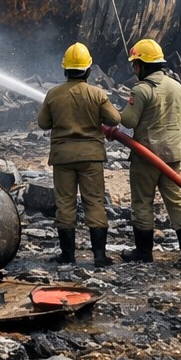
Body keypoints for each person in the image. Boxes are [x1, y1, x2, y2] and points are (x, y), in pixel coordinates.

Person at [36, 42, 122, 267]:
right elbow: (114, 119)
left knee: (65, 204)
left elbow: (43, 123)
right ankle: (100, 256)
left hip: (63, 158)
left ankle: (67, 256)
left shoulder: (53, 94)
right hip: (91, 158)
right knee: (94, 202)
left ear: (65, 70)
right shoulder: (96, 94)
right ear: (88, 70)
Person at [121, 38, 181, 265]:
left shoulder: (141, 89)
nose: (134, 70)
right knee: (177, 201)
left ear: (143, 65)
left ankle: (143, 252)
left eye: (136, 64)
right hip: (172, 157)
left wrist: (116, 113)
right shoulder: (177, 87)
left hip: (146, 157)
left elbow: (129, 121)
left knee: (142, 202)